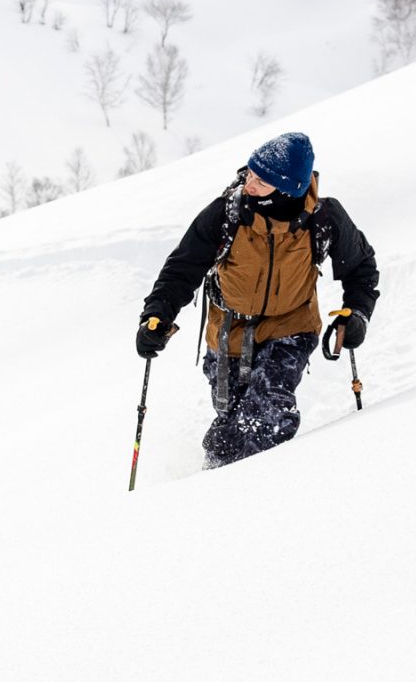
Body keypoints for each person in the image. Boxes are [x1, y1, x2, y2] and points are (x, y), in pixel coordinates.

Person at [135, 132, 379, 469]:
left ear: (288, 188)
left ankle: (262, 492)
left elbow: (362, 268)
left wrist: (356, 314)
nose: (249, 185)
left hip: (291, 326)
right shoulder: (226, 215)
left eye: (261, 182)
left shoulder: (324, 219)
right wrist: (157, 314)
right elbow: (182, 269)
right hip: (228, 331)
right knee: (230, 426)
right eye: (250, 175)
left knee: (267, 414)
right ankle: (211, 486)